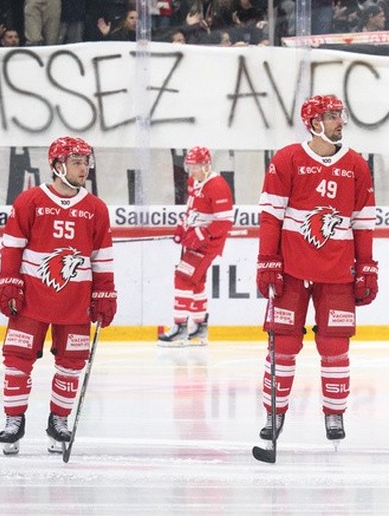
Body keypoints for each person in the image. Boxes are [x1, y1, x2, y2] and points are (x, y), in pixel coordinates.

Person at [255, 94, 377, 444]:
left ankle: (334, 416)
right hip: (291, 268)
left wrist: (366, 266)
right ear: (313, 122)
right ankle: (274, 414)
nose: (339, 120)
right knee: (283, 342)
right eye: (331, 115)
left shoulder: (355, 164)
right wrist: (267, 261)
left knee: (335, 345)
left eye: (340, 114)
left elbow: (364, 220)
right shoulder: (287, 159)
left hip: (338, 271)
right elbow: (271, 215)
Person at [0, 136, 116, 456]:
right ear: (57, 165)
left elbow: (102, 257)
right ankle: (13, 421)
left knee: (72, 363)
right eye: (76, 161)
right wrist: (9, 282)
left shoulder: (95, 209)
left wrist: (104, 294)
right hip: (32, 299)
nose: (84, 168)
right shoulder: (30, 201)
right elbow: (11, 247)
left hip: (76, 303)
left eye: (86, 162)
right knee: (17, 360)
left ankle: (58, 421)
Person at [158, 146, 234, 346]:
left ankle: (180, 328)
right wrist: (182, 228)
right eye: (189, 166)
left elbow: (225, 220)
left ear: (207, 165)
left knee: (183, 278)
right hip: (195, 239)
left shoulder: (217, 185)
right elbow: (192, 209)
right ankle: (199, 328)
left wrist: (201, 234)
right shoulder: (194, 181)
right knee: (196, 281)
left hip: (208, 243)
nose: (191, 171)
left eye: (195, 167)